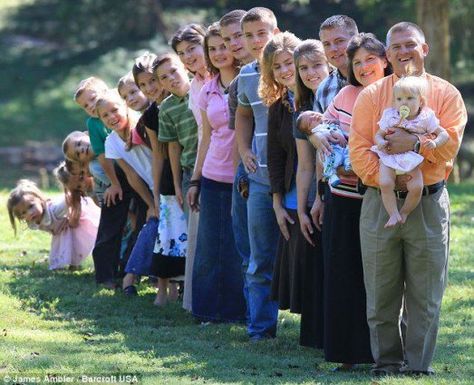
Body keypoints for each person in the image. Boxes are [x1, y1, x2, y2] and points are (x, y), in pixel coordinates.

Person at [350, 22, 467, 376]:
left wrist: (414, 149)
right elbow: (358, 152)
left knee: (426, 295)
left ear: (425, 49)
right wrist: (394, 175)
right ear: (387, 55)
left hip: (428, 204)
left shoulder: (446, 95)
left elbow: (449, 148)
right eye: (396, 46)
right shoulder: (372, 97)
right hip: (379, 202)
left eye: (411, 45)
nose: (404, 52)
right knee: (381, 292)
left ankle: (417, 366)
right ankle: (387, 362)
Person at [310, 32, 392, 369]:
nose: (362, 67)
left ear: (384, 61)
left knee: (377, 277)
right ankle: (346, 353)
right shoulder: (344, 94)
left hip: (379, 196)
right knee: (342, 274)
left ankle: (380, 352)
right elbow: (321, 126)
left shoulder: (395, 94)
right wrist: (319, 132)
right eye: (356, 62)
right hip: (341, 198)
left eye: (369, 59)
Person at [97, 90, 187, 304]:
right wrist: (150, 203)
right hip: (155, 193)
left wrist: (159, 195)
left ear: (126, 107)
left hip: (169, 182)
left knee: (170, 233)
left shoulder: (142, 126)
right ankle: (146, 281)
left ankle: (161, 285)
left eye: (114, 110)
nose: (111, 117)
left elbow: (160, 154)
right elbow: (132, 176)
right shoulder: (111, 143)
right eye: (105, 115)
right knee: (159, 232)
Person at [186, 23, 246, 323]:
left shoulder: (250, 80)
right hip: (212, 176)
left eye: (223, 45)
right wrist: (195, 179)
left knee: (237, 248)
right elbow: (205, 139)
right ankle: (206, 311)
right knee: (209, 248)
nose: (219, 52)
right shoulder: (207, 89)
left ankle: (236, 313)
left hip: (243, 177)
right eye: (212, 48)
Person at [235, 7, 280, 341]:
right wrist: (244, 150)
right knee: (259, 258)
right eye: (248, 35)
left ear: (276, 32)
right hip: (261, 180)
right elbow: (243, 115)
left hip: (297, 180)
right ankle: (260, 330)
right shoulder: (247, 75)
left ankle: (318, 330)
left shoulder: (291, 68)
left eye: (261, 33)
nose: (254, 41)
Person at [133, 52, 186, 306]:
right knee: (167, 234)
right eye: (142, 85)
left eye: (153, 81)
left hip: (189, 167)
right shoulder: (151, 114)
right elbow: (158, 155)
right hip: (167, 177)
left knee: (185, 233)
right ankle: (163, 289)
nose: (149, 88)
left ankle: (180, 287)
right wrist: (155, 191)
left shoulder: (182, 100)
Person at [288, 38, 332, 348]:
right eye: (303, 68)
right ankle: (318, 334)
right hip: (319, 191)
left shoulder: (338, 97)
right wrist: (303, 207)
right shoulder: (302, 110)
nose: (311, 72)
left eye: (317, 65)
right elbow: (305, 165)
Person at [372, 76, 449, 227]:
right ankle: (393, 213)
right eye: (399, 99)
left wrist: (435, 142)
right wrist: (381, 142)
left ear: (420, 101)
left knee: (416, 186)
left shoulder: (426, 117)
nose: (404, 102)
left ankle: (405, 212)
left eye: (409, 98)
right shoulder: (391, 115)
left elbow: (444, 134)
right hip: (390, 155)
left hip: (411, 158)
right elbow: (378, 134)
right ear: (394, 102)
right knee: (385, 182)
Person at [170, 23, 209, 313]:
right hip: (201, 163)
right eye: (181, 53)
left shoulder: (217, 77)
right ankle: (197, 301)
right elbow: (199, 133)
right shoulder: (196, 84)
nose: (187, 57)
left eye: (192, 49)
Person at [219, 8, 254, 322]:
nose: (235, 43)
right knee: (247, 250)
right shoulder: (238, 83)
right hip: (247, 170)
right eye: (228, 39)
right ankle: (252, 318)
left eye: (238, 35)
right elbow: (236, 137)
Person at [7, 179, 99, 271]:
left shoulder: (55, 210)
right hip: (61, 232)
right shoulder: (32, 222)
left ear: (39, 200)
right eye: (24, 212)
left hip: (77, 223)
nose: (30, 213)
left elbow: (70, 198)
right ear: (22, 217)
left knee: (81, 245)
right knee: (63, 248)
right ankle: (71, 265)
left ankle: (83, 263)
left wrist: (78, 186)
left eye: (31, 206)